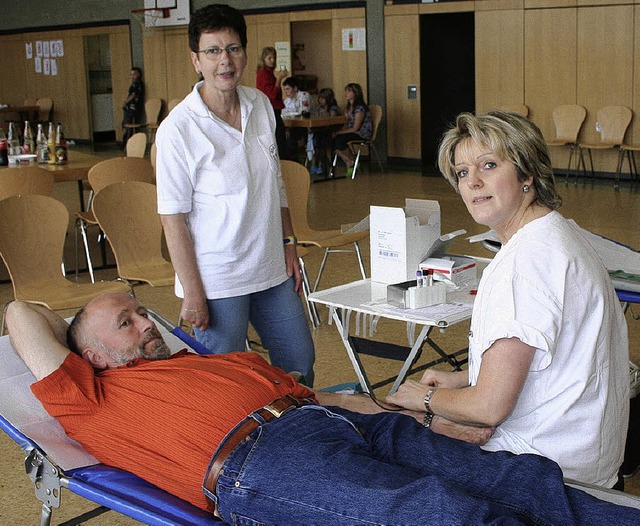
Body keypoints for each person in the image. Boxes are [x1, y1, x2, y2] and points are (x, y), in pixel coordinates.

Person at [7, 294, 640, 525]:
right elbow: (19, 313)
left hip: (330, 421)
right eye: (128, 321)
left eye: (143, 312)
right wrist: (74, 334)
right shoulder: (87, 394)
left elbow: (323, 395)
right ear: (89, 351)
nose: (150, 324)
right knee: (447, 514)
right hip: (258, 464)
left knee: (517, 477)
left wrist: (417, 416)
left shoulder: (203, 362)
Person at [387, 110, 630, 490]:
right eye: (463, 173)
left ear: (526, 173)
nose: (474, 183)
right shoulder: (558, 234)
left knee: (380, 432)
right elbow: (552, 359)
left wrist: (429, 399)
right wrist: (463, 379)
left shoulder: (525, 264)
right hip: (583, 450)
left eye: (489, 165)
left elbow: (489, 409)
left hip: (543, 467)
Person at [154, 4, 315, 385]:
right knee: (227, 387)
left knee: (299, 365)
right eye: (212, 51)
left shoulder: (260, 105)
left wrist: (289, 244)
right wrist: (192, 292)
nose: (224, 61)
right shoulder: (178, 128)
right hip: (217, 279)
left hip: (271, 268)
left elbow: (275, 185)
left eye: (233, 49)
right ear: (196, 59)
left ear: (244, 52)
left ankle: (297, 440)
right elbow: (172, 219)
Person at [256, 46, 290, 160]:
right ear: (263, 59)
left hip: (275, 110)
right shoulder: (263, 74)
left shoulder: (269, 73)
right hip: (271, 110)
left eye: (274, 58)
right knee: (279, 140)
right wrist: (279, 79)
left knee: (281, 139)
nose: (273, 60)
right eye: (269, 58)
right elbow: (271, 95)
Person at [332, 82, 372, 178]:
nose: (346, 93)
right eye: (346, 91)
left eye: (349, 91)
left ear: (356, 93)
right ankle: (349, 160)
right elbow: (346, 124)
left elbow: (355, 128)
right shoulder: (348, 108)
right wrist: (339, 131)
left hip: (361, 133)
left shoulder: (360, 108)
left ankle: (350, 162)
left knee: (340, 140)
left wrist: (340, 132)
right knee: (331, 139)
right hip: (351, 131)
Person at [310, 87, 341, 176]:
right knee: (316, 138)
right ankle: (316, 162)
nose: (320, 100)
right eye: (319, 98)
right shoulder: (319, 109)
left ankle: (320, 163)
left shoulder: (333, 108)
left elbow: (332, 121)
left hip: (330, 131)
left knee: (321, 140)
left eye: (322, 98)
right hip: (320, 130)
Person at [281, 76, 311, 159]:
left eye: (288, 89)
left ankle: (294, 159)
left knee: (291, 136)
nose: (286, 92)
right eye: (285, 90)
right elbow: (283, 113)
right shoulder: (287, 100)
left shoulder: (304, 95)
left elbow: (304, 111)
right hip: (292, 125)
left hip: (304, 126)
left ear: (295, 88)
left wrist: (290, 114)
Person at [122, 67, 145, 147]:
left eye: (134, 74)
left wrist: (126, 102)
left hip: (133, 107)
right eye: (131, 74)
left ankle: (128, 143)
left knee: (128, 124)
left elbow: (133, 94)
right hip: (133, 107)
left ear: (138, 74)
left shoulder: (137, 84)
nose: (132, 76)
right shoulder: (135, 83)